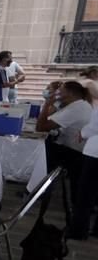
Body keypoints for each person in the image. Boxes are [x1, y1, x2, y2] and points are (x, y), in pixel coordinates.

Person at [37, 80, 93, 191]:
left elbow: (41, 127)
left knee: (39, 150)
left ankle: (38, 189)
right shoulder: (79, 105)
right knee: (44, 143)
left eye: (60, 91)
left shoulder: (76, 108)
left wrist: (48, 103)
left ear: (70, 93)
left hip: (75, 153)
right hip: (78, 150)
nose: (57, 93)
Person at [70, 101, 98, 239]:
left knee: (85, 195)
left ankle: (79, 231)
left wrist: (83, 133)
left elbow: (95, 126)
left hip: (95, 154)